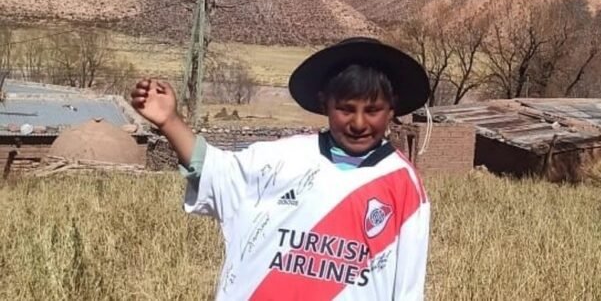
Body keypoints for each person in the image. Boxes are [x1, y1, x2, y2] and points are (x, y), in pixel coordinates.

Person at [131, 37, 432, 300]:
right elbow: (215, 173)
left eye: (373, 110)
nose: (358, 123)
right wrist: (169, 122)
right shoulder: (281, 159)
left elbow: (408, 286)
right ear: (324, 103)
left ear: (392, 109)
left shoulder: (402, 184)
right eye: (345, 109)